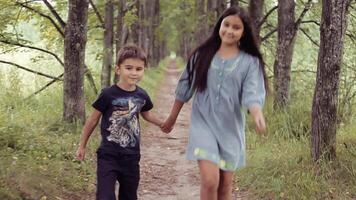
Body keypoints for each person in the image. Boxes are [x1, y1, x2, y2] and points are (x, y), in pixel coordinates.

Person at [161, 6, 268, 200]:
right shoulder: (202, 55)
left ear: (243, 33)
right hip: (204, 124)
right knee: (210, 181)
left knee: (225, 187)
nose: (229, 30)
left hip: (231, 129)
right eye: (226, 24)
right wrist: (171, 118)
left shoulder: (249, 62)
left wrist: (258, 114)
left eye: (236, 27)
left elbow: (252, 93)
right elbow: (185, 88)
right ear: (219, 25)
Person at [76, 44, 163, 200]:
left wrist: (162, 124)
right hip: (108, 155)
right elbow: (93, 120)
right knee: (105, 196)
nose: (134, 73)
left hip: (131, 157)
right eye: (129, 68)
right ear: (118, 69)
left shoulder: (142, 95)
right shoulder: (108, 94)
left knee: (129, 196)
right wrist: (82, 145)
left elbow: (146, 115)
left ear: (144, 70)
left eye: (139, 69)